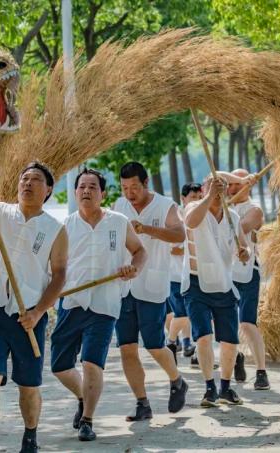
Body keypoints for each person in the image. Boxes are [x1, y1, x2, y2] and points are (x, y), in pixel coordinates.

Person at [0, 162, 68, 453]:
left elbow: (59, 274)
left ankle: (31, 435)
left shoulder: (55, 229)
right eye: (24, 178)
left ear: (47, 190)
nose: (28, 184)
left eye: (36, 180)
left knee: (29, 385)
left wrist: (38, 312)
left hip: (28, 316)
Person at [51, 168, 147, 442]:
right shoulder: (65, 226)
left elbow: (140, 251)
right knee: (59, 365)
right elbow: (53, 267)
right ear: (74, 192)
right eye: (81, 187)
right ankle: (83, 396)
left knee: (92, 363)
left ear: (102, 194)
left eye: (93, 187)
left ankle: (87, 420)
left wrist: (133, 268)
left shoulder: (118, 222)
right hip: (71, 301)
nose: (86, 191)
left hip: (105, 304)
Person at [113, 161, 188, 421]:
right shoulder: (118, 207)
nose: (129, 193)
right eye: (124, 188)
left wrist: (146, 229)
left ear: (146, 183)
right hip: (123, 288)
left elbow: (180, 235)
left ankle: (177, 380)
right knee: (127, 348)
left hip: (152, 286)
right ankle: (142, 403)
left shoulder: (166, 206)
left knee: (154, 345)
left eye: (134, 186)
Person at [182, 174, 251, 407]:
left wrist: (244, 253)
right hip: (196, 283)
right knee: (203, 336)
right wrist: (210, 196)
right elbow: (190, 222)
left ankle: (225, 387)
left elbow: (243, 247)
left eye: (222, 185)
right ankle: (209, 387)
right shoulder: (194, 206)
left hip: (223, 284)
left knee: (230, 341)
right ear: (203, 189)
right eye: (212, 184)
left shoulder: (232, 216)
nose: (218, 188)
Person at [227, 168, 270, 390]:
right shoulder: (221, 207)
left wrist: (222, 213)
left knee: (246, 322)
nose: (232, 188)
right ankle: (236, 358)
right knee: (225, 323)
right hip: (224, 274)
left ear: (249, 187)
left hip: (247, 273)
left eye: (238, 184)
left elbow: (239, 229)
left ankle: (261, 371)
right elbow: (212, 179)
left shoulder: (254, 210)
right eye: (230, 183)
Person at [166, 183, 203, 362]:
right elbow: (173, 249)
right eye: (192, 198)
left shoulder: (202, 216)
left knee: (198, 315)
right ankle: (171, 341)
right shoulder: (176, 217)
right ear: (183, 198)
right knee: (182, 314)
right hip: (175, 275)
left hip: (197, 275)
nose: (196, 201)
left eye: (199, 198)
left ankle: (195, 350)